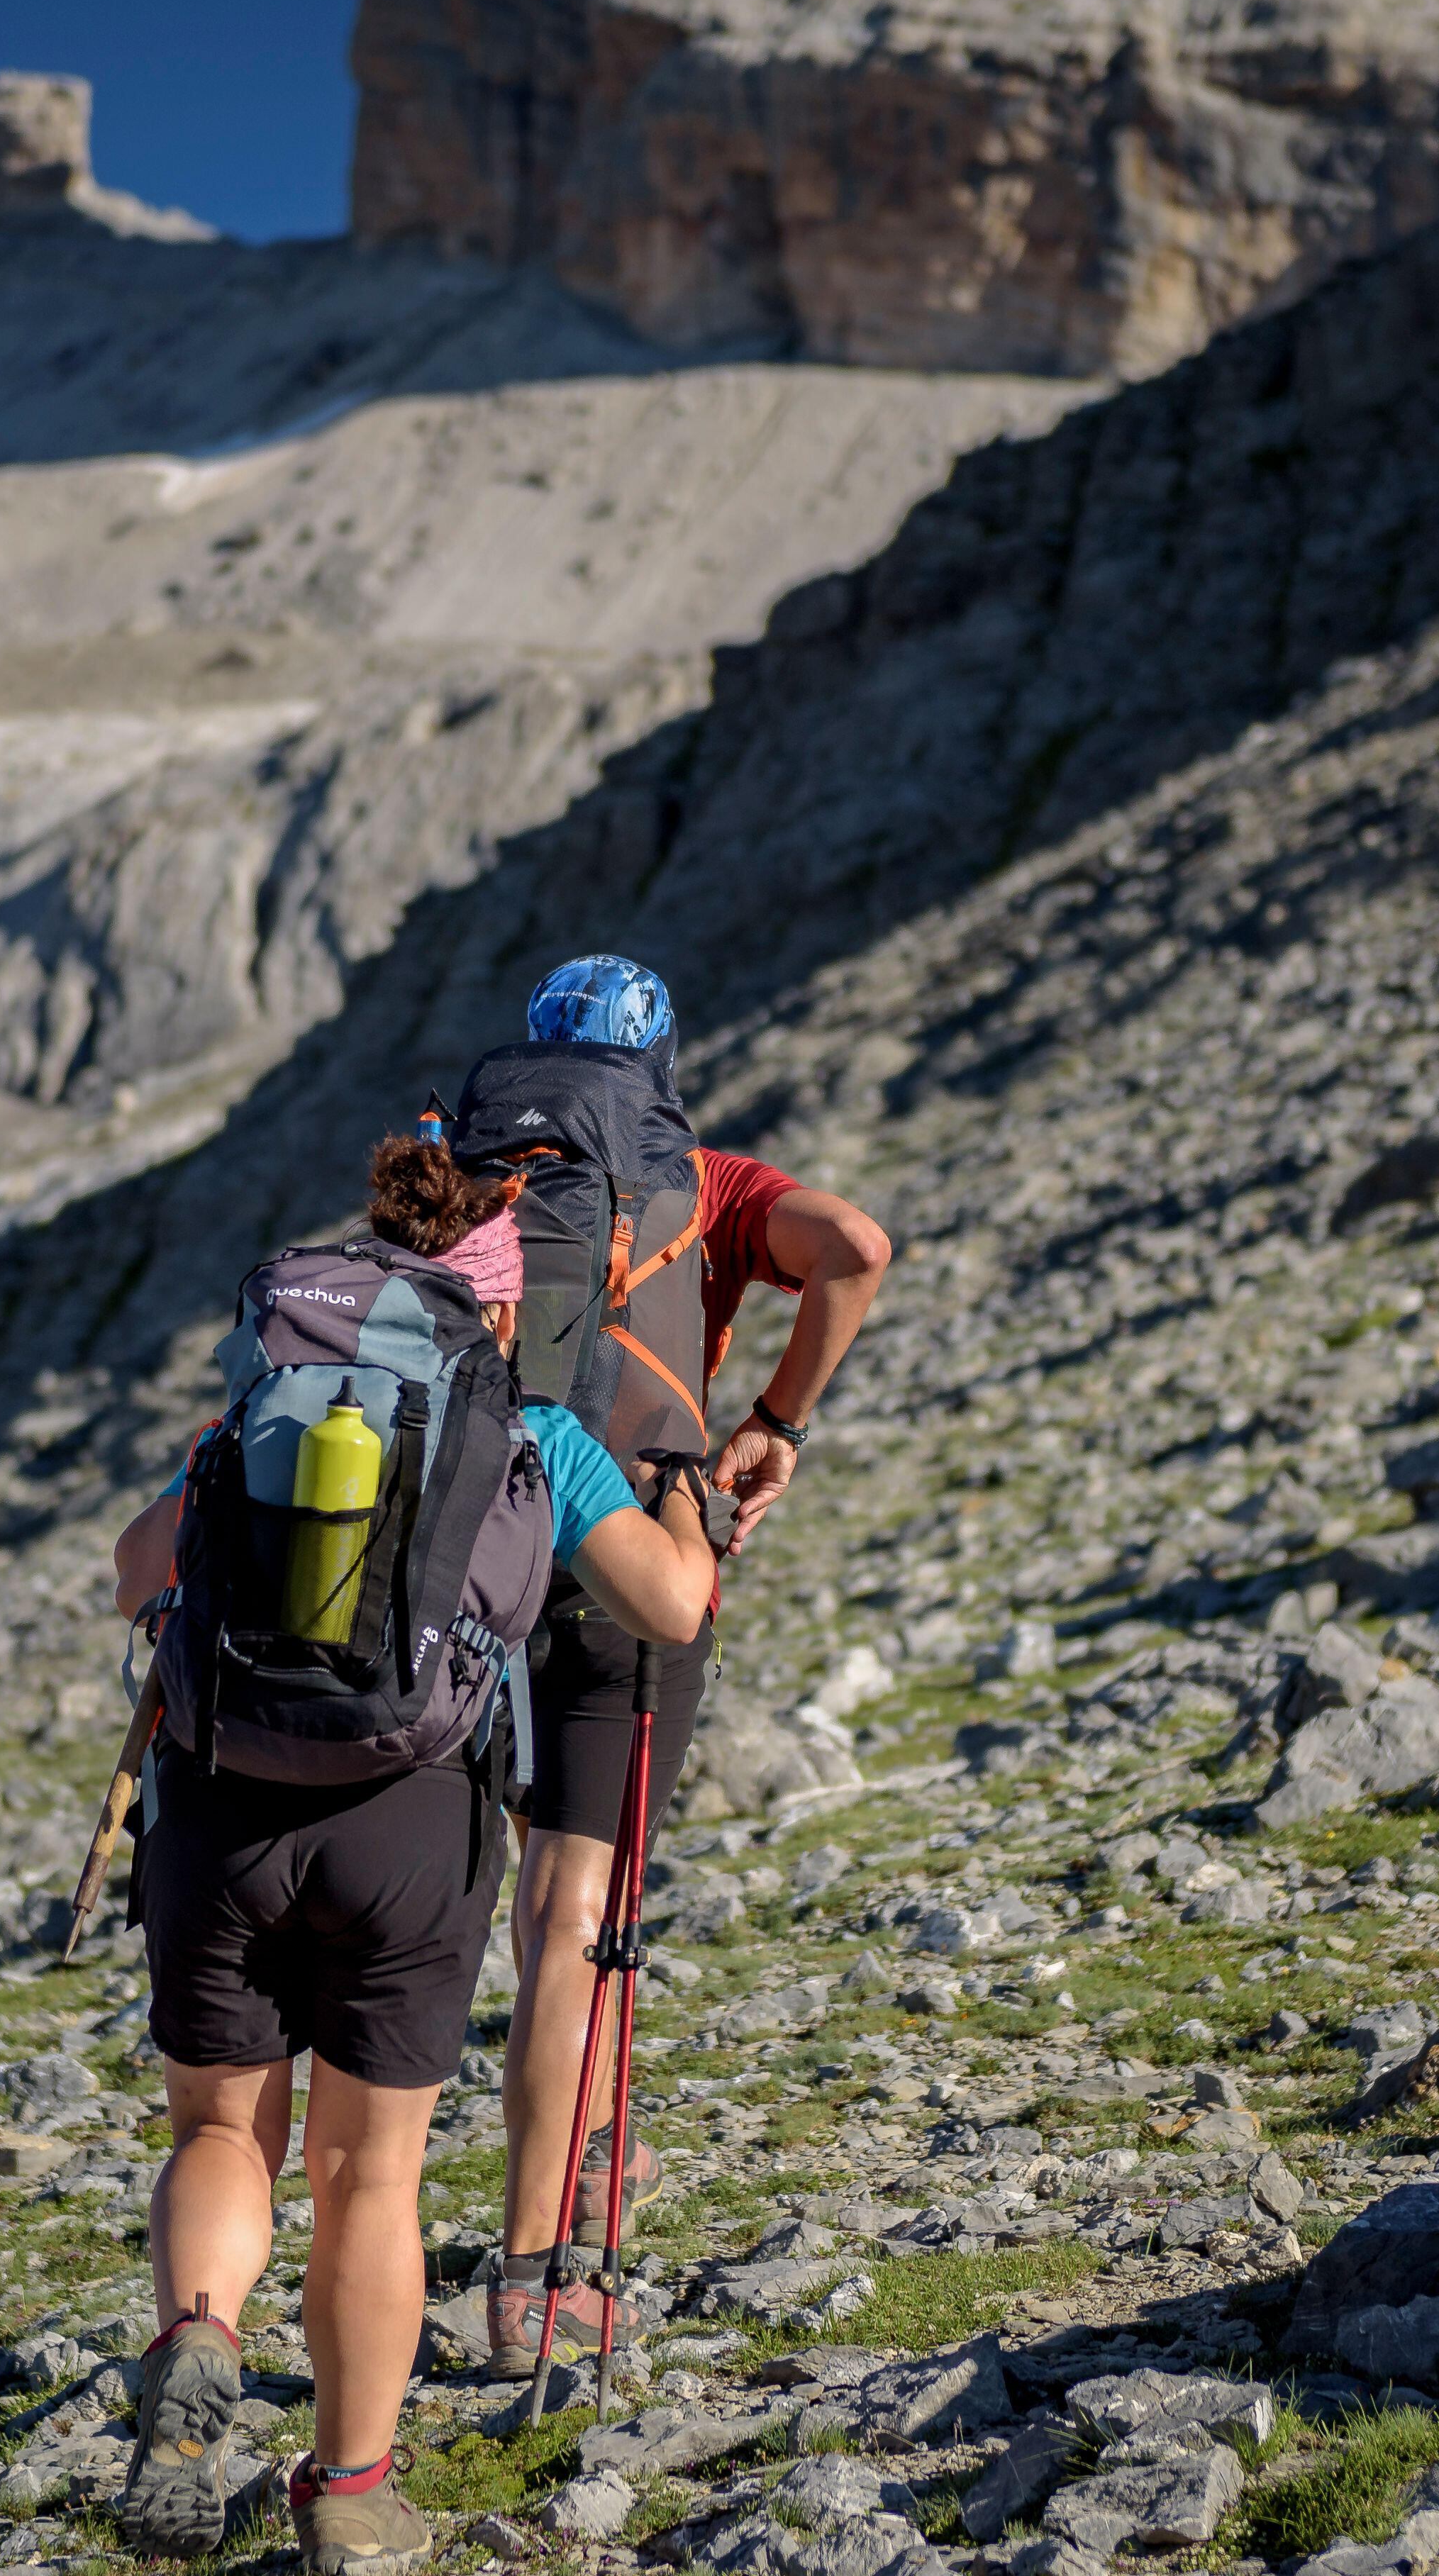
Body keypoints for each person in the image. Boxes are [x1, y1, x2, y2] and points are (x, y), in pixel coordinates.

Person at [108, 1139, 717, 2573]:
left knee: (216, 2134)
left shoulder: (268, 1401)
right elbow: (670, 1608)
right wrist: (681, 1483)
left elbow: (138, 1571)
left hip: (219, 1806)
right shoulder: (529, 1428)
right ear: (501, 1310)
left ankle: (199, 2332)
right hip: (410, 1823)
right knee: (366, 2175)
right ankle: (351, 2491)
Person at [487, 954, 891, 2373]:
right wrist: (778, 1415)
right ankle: (543, 2265)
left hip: (456, 1560)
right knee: (574, 1917)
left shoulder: (460, 1163)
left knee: (500, 1903)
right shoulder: (704, 1184)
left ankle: (547, 2158)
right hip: (630, 1556)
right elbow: (854, 1244)